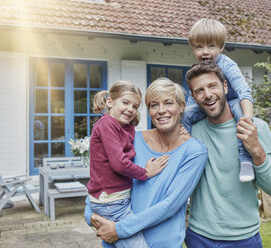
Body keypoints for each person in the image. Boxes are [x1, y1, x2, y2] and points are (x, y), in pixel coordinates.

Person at [85, 78, 208, 248]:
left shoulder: (194, 151)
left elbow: (170, 205)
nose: (161, 111)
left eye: (168, 103)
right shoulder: (134, 139)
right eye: (153, 105)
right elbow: (104, 178)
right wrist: (90, 215)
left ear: (181, 106)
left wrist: (118, 229)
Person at [184, 61, 271, 248]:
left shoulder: (256, 128)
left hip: (245, 239)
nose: (207, 95)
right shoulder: (189, 132)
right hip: (199, 237)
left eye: (212, 86)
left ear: (224, 86)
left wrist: (256, 150)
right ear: (193, 97)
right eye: (199, 91)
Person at [87, 81, 169, 248]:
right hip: (112, 202)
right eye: (125, 102)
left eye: (135, 106)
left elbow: (141, 137)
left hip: (115, 200)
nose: (130, 109)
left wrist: (181, 128)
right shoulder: (107, 124)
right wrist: (145, 173)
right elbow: (119, 163)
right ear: (110, 102)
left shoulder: (124, 127)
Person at [183, 18, 256, 182]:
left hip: (231, 102)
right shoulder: (198, 70)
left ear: (221, 47)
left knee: (239, 112)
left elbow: (243, 90)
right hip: (208, 105)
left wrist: (248, 118)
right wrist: (185, 123)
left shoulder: (228, 65)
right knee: (186, 113)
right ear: (193, 48)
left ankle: (245, 159)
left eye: (211, 46)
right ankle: (186, 150)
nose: (205, 52)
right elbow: (192, 99)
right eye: (199, 47)